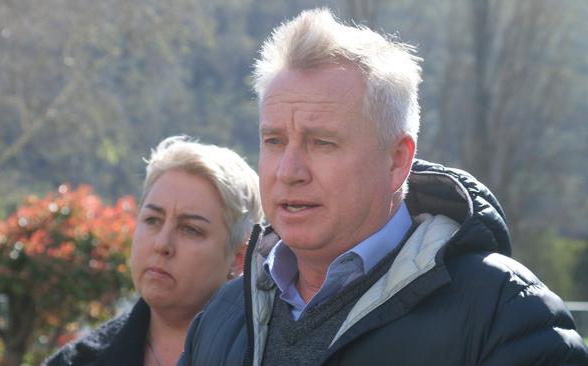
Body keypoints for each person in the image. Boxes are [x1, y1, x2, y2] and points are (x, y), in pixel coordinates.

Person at [179, 8, 588, 365]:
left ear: (397, 161)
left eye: (321, 142)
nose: (288, 171)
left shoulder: (508, 314)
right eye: (274, 141)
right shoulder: (222, 317)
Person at [43, 135, 263, 366]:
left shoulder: (271, 354)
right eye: (152, 220)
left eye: (190, 229)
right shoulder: (76, 361)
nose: (162, 244)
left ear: (239, 258)